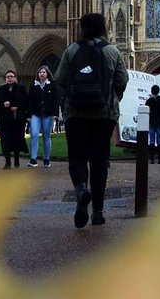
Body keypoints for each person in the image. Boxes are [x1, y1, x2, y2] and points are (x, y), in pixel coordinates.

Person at [54, 12, 128, 229]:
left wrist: (70, 100)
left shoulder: (72, 50)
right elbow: (122, 80)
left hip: (76, 113)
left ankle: (80, 191)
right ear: (104, 28)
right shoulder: (112, 51)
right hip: (104, 114)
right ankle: (98, 212)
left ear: (82, 28)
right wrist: (112, 99)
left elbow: (60, 79)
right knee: (99, 161)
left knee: (77, 158)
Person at [0, 70, 28, 169]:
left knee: (17, 140)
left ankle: (16, 159)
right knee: (5, 141)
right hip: (5, 120)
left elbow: (26, 102)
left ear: (15, 78)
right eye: (8, 77)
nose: (10, 78)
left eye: (11, 76)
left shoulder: (21, 89)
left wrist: (17, 107)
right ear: (5, 78)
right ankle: (7, 161)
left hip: (17, 120)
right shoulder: (1, 89)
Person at [28, 65, 59, 168]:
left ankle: (46, 159)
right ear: (38, 74)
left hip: (48, 114)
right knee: (34, 135)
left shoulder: (52, 85)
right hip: (36, 114)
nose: (42, 74)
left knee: (46, 137)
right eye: (40, 72)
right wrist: (29, 115)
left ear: (47, 74)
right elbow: (30, 101)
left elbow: (56, 99)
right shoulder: (34, 85)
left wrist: (55, 113)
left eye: (44, 72)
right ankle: (33, 159)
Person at [144, 84, 160, 164]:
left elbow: (146, 112)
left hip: (151, 122)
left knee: (151, 141)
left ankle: (151, 159)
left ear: (152, 91)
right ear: (158, 91)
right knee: (159, 141)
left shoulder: (148, 101)